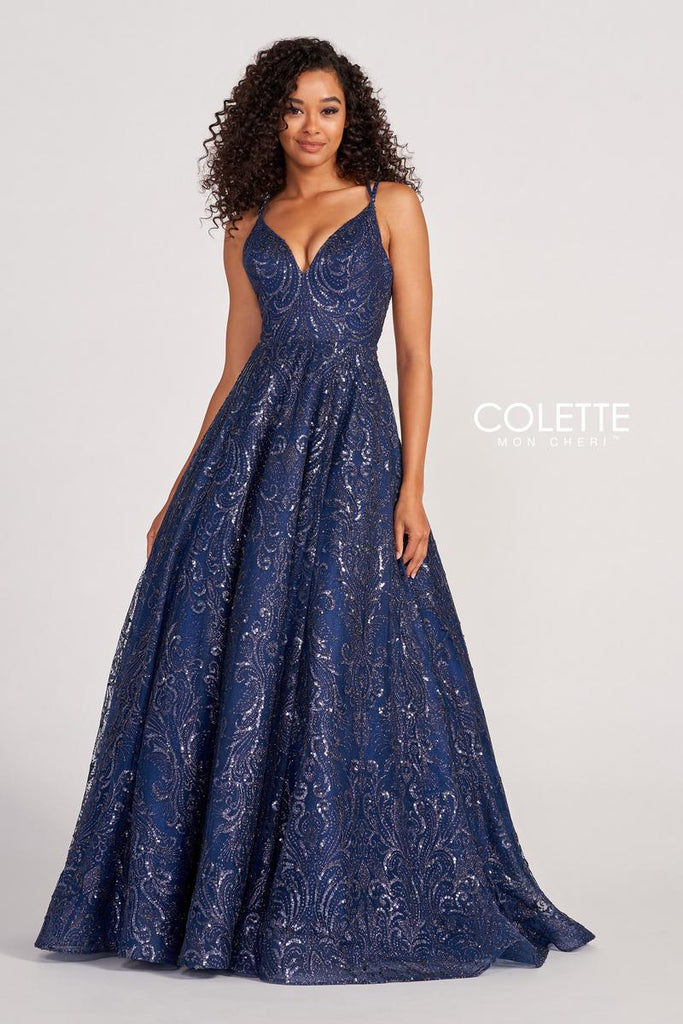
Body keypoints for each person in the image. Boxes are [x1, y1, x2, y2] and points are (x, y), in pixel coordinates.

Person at [34, 37, 595, 984]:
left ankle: (319, 885)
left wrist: (412, 486)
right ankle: (210, 895)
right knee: (236, 650)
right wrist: (177, 492)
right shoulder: (245, 225)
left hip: (352, 452)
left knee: (341, 645)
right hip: (247, 460)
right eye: (293, 108)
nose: (309, 126)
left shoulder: (390, 205)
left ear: (350, 117)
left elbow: (414, 355)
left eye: (327, 108)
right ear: (269, 119)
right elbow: (234, 369)